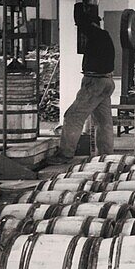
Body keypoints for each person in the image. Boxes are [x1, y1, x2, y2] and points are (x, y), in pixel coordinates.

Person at [49, 12, 116, 165]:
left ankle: (65, 154)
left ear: (92, 24)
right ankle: (106, 156)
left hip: (94, 83)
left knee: (73, 117)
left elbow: (80, 20)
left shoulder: (95, 33)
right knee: (103, 121)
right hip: (107, 81)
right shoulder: (105, 36)